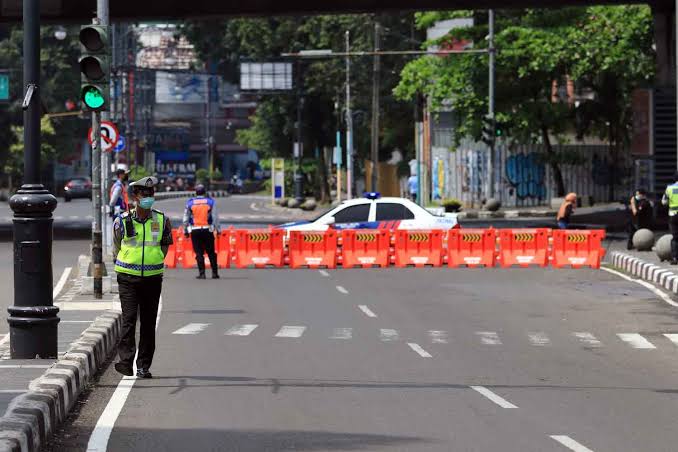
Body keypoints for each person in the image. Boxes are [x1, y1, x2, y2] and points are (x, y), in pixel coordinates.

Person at [112, 176, 173, 378]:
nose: (148, 197)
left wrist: (153, 261)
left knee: (148, 322)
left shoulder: (162, 220)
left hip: (153, 278)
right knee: (129, 320)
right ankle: (126, 362)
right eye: (144, 194)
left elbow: (164, 246)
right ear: (135, 197)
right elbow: (117, 245)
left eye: (150, 194)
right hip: (128, 278)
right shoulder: (122, 220)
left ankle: (143, 366)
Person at [183, 184, 220, 279]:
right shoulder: (210, 202)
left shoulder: (190, 202)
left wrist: (185, 230)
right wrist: (218, 229)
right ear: (205, 192)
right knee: (211, 252)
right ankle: (214, 273)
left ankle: (202, 273)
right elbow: (215, 217)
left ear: (195, 192)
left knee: (199, 253)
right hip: (208, 230)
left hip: (195, 230)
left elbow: (186, 217)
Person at [662, 172, 678, 265]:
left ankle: (675, 258)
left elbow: (664, 202)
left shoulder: (669, 188)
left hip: (673, 215)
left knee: (675, 238)